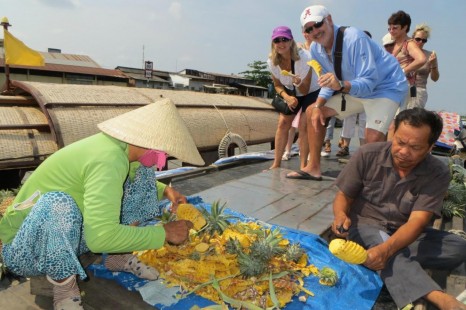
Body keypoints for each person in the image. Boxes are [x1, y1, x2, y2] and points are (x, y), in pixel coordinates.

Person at [0, 99, 204, 310]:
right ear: (151, 142)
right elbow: (100, 239)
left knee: (143, 177)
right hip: (27, 249)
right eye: (164, 152)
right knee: (58, 203)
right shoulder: (108, 159)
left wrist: (167, 190)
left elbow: (130, 183)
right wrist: (165, 233)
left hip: (69, 237)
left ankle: (118, 257)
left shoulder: (122, 152)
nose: (163, 158)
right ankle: (64, 287)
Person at [331, 108, 466, 310]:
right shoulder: (368, 154)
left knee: (457, 247)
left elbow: (417, 222)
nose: (403, 152)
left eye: (415, 147)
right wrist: (341, 215)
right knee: (382, 244)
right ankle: (440, 298)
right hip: (364, 227)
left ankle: (377, 260)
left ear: (430, 147)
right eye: (400, 142)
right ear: (393, 132)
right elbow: (344, 196)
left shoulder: (437, 172)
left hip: (405, 232)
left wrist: (387, 250)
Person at [287, 5, 408, 180]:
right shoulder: (315, 49)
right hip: (354, 89)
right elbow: (328, 82)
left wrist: (341, 85)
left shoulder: (354, 38)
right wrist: (319, 105)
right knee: (313, 111)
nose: (315, 31)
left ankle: (375, 179)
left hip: (385, 87)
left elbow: (369, 81)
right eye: (309, 29)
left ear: (329, 20)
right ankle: (313, 166)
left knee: (371, 139)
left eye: (318, 24)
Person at [267, 26, 320, 170]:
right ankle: (276, 163)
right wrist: (287, 97)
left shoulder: (305, 58)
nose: (281, 43)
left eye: (284, 39)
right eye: (277, 40)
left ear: (291, 41)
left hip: (310, 91)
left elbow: (305, 89)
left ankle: (303, 166)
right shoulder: (272, 62)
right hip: (291, 91)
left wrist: (299, 82)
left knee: (303, 125)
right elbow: (277, 85)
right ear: (273, 43)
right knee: (283, 123)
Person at [388, 10, 427, 111]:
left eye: (395, 28)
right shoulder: (392, 44)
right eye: (390, 28)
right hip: (393, 86)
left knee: (399, 120)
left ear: (405, 27)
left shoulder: (409, 43)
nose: (391, 31)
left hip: (404, 86)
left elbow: (421, 59)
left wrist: (403, 71)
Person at [408, 23, 440, 109]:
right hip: (403, 88)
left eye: (424, 40)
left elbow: (435, 78)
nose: (420, 42)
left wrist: (433, 65)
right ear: (412, 38)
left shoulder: (430, 55)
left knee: (413, 118)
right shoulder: (405, 53)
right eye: (418, 39)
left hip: (419, 90)